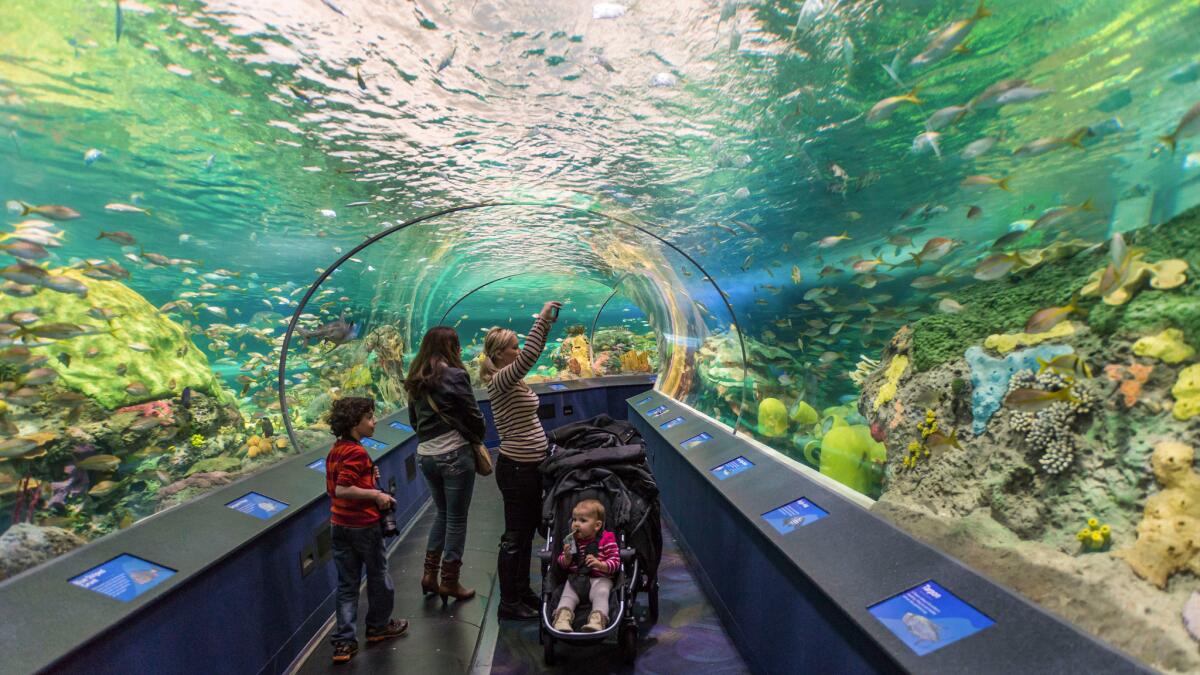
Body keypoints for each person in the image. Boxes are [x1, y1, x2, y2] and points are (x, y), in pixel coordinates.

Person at [480, 300, 561, 619]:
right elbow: (530, 357)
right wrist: (541, 320)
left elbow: (526, 357)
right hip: (516, 470)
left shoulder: (509, 380)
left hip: (528, 467)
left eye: (517, 347)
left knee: (526, 533)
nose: (518, 351)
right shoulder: (500, 380)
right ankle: (508, 602)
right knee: (514, 536)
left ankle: (521, 591)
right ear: (499, 354)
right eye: (513, 347)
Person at [405, 326, 487, 604]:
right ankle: (449, 582)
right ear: (450, 348)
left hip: (425, 455)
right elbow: (472, 413)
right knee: (456, 519)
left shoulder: (415, 379)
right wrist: (478, 434)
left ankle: (429, 575)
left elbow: (414, 421)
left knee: (441, 513)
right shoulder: (455, 375)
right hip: (453, 453)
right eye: (457, 345)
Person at [325, 397, 409, 664]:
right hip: (362, 526)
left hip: (339, 525)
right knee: (378, 576)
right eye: (369, 418)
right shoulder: (356, 452)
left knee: (347, 584)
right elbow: (342, 488)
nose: (374, 422)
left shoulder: (336, 450)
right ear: (354, 423)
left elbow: (333, 490)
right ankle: (378, 625)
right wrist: (376, 495)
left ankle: (344, 642)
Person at [551, 499, 620, 633]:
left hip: (600, 579)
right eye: (574, 519)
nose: (576, 524)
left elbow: (615, 562)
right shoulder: (571, 541)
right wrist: (567, 558)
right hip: (576, 579)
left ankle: (597, 620)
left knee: (602, 593)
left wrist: (600, 565)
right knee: (567, 594)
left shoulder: (607, 539)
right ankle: (562, 618)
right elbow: (562, 565)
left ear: (597, 525)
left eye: (583, 521)